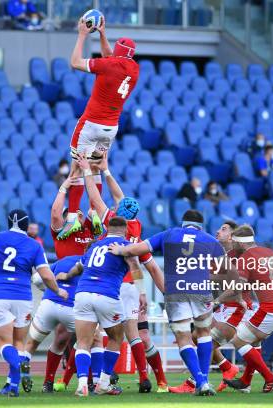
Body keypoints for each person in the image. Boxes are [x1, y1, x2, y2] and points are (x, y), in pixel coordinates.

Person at [109, 209, 242, 396]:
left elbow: (138, 248)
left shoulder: (169, 233)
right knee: (204, 334)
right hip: (201, 291)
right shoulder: (210, 240)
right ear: (200, 226)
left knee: (183, 338)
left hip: (175, 292)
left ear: (183, 223)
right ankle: (203, 378)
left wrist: (120, 249)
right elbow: (231, 272)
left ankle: (201, 381)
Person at [76, 153, 168, 393]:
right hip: (131, 287)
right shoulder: (135, 228)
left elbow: (96, 199)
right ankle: (147, 378)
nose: (115, 205)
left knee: (91, 338)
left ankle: (85, 381)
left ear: (117, 216)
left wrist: (89, 172)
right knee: (136, 335)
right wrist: (106, 171)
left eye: (116, 207)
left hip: (109, 286)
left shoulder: (112, 224)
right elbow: (151, 267)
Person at [0, 209, 68, 397]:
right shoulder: (33, 245)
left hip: (0, 295)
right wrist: (57, 290)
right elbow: (45, 274)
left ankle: (17, 369)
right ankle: (12, 383)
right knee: (19, 343)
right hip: (22, 297)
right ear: (26, 224)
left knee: (4, 343)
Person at [59, 17, 139, 239]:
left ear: (117, 51)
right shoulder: (134, 69)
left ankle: (73, 216)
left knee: (77, 166)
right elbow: (112, 57)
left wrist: (82, 34)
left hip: (91, 123)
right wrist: (102, 34)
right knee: (95, 167)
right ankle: (94, 213)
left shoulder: (107, 65)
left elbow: (75, 62)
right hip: (110, 128)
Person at [71, 216, 143, 396]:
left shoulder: (95, 245)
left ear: (108, 229)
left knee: (83, 342)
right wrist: (141, 293)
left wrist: (66, 275)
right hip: (107, 294)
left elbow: (79, 267)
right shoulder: (126, 246)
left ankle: (81, 385)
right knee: (116, 337)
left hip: (83, 293)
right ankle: (103, 383)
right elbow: (135, 267)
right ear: (125, 230)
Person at [168, 220, 242, 394]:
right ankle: (228, 368)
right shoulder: (217, 252)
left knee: (204, 340)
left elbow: (235, 282)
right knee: (199, 338)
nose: (217, 231)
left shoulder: (235, 256)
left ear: (232, 236)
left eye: (223, 229)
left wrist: (205, 279)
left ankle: (196, 381)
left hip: (233, 308)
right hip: (223, 307)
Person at [223, 225, 273, 394]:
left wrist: (218, 298)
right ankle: (246, 381)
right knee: (253, 340)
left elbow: (238, 287)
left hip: (272, 308)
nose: (232, 245)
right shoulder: (269, 251)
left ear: (240, 243)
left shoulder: (245, 257)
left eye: (234, 241)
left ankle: (270, 378)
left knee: (237, 339)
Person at [46, 178, 95, 393]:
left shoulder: (89, 232)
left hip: (89, 285)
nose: (78, 216)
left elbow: (96, 208)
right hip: (66, 287)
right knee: (62, 336)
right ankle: (49, 380)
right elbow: (56, 214)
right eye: (73, 215)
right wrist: (64, 188)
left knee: (91, 338)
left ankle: (89, 381)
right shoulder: (62, 233)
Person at [22, 255, 80, 392]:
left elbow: (36, 279)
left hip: (48, 304)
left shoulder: (62, 261)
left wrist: (50, 291)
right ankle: (90, 382)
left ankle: (21, 377)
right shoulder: (91, 261)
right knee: (90, 341)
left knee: (31, 343)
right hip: (72, 306)